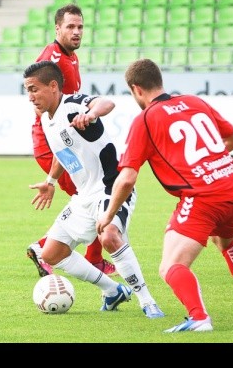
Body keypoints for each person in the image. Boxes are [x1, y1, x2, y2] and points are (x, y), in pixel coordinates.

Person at [97, 58, 233, 332]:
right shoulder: (194, 102)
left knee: (171, 266)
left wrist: (108, 216)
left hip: (204, 198)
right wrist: (209, 164)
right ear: (159, 81)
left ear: (136, 90)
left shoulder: (145, 120)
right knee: (226, 242)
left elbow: (127, 177)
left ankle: (199, 317)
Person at [24, 60, 164, 317]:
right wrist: (51, 181)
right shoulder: (46, 119)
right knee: (51, 254)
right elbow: (60, 151)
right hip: (84, 196)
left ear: (53, 86)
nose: (30, 96)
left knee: (109, 236)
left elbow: (106, 103)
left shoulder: (72, 105)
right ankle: (113, 291)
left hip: (110, 187)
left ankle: (147, 301)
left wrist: (91, 114)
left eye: (34, 89)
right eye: (27, 90)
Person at [26, 3, 117, 278]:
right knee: (90, 196)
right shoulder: (52, 59)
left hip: (67, 140)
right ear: (57, 29)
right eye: (70, 27)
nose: (76, 32)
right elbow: (39, 104)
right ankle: (47, 249)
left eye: (80, 27)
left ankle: (53, 248)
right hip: (52, 143)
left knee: (91, 195)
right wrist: (62, 135)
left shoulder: (69, 56)